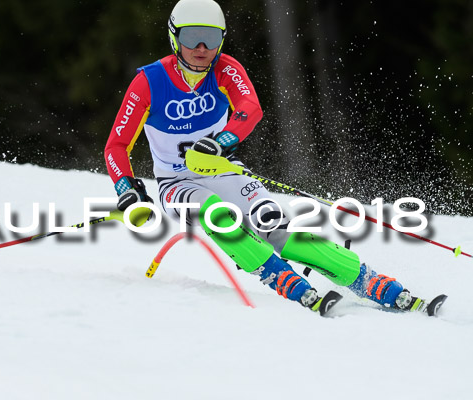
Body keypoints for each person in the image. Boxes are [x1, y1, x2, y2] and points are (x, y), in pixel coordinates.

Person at [104, 0, 427, 314]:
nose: (202, 47)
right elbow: (116, 145)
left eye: (212, 37)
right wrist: (126, 187)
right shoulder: (149, 81)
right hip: (176, 183)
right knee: (218, 216)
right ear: (174, 37)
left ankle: (366, 280)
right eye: (191, 37)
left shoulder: (226, 69)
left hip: (223, 171)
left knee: (272, 220)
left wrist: (222, 142)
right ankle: (277, 274)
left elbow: (250, 108)